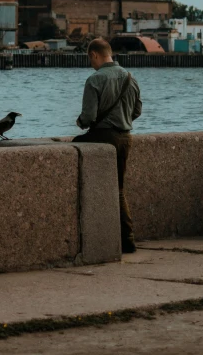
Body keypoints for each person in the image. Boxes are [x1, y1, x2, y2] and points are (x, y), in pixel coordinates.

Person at [73, 37, 142, 254]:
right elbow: (137, 111)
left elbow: (89, 117)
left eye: (89, 59)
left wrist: (81, 122)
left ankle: (118, 238)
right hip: (125, 137)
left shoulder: (95, 79)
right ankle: (127, 239)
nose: (90, 63)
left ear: (94, 54)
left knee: (74, 146)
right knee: (119, 188)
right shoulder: (130, 78)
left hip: (103, 137)